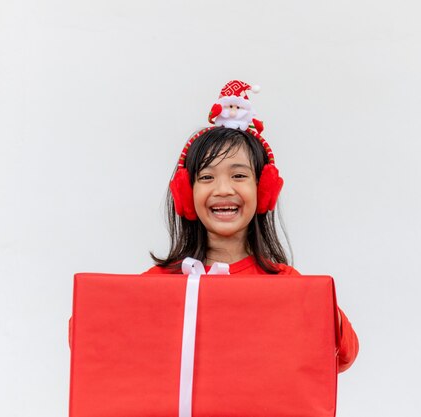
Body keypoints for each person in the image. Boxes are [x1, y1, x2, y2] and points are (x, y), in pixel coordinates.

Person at [144, 80, 359, 373]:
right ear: (185, 193)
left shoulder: (286, 283)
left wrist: (309, 302)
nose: (222, 189)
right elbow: (92, 335)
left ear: (264, 190)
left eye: (239, 176)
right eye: (206, 177)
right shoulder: (157, 283)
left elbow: (343, 354)